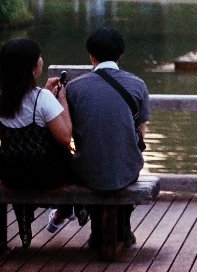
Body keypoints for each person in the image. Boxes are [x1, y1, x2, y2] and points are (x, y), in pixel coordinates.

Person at [67, 28, 150, 251]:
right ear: (120, 55)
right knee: (124, 163)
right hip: (127, 166)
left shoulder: (74, 87)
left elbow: (69, 130)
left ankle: (98, 231)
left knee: (95, 163)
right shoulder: (137, 84)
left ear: (91, 56)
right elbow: (141, 131)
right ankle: (122, 227)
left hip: (87, 167)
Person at [0, 38, 75, 248]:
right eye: (38, 57)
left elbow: (23, 105)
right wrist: (61, 99)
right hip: (46, 177)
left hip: (11, 176)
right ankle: (73, 207)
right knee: (69, 155)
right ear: (30, 67)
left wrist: (45, 91)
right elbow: (65, 136)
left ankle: (26, 211)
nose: (41, 59)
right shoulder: (43, 98)